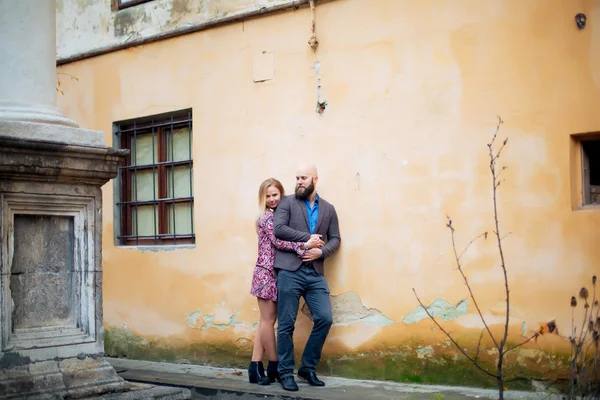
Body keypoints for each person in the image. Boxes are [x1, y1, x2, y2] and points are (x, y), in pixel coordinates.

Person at [248, 178, 324, 386]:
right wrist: (306, 244)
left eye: (275, 195)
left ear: (281, 195)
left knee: (265, 322)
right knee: (268, 321)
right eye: (268, 196)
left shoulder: (274, 216)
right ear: (262, 198)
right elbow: (279, 242)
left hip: (273, 271)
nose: (272, 199)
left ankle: (255, 368)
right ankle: (274, 365)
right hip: (266, 274)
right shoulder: (266, 218)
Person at [273, 164, 341, 392]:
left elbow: (335, 239)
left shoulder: (329, 209)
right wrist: (308, 239)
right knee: (286, 325)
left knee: (325, 318)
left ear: (315, 179)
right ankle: (285, 373)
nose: (299, 181)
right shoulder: (286, 202)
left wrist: (321, 252)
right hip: (289, 272)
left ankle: (307, 368)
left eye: (303, 177)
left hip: (315, 273)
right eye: (297, 178)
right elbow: (279, 229)